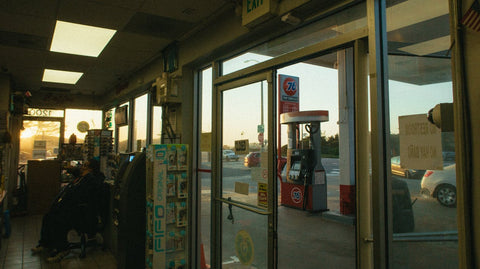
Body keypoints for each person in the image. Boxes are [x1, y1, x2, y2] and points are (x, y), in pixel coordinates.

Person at [31, 158, 105, 262]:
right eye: (83, 165)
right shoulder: (80, 178)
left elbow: (83, 197)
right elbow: (75, 174)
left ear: (91, 170)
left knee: (59, 220)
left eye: (85, 166)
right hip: (70, 209)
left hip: (82, 213)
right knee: (48, 216)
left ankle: (63, 249)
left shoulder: (90, 180)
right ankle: (45, 243)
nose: (82, 167)